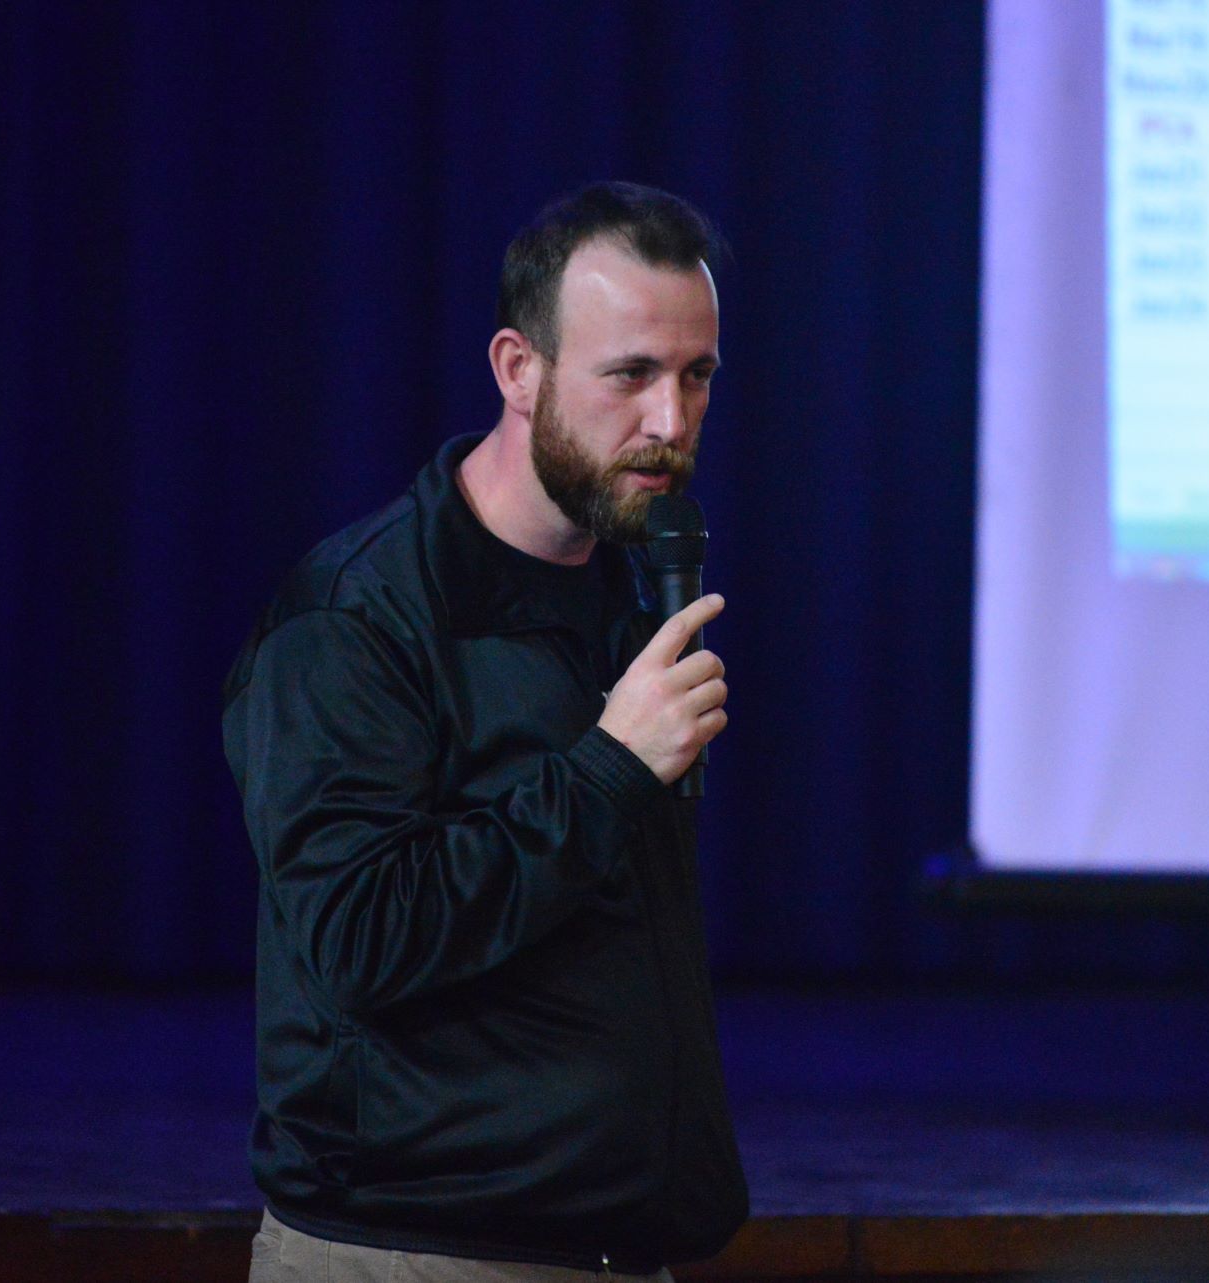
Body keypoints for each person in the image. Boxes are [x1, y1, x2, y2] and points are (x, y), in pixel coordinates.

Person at [222, 182, 748, 1282]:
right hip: (419, 1252)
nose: (671, 422)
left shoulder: (629, 594)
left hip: (614, 1247)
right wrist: (609, 768)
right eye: (631, 375)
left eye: (697, 374)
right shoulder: (355, 619)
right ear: (519, 369)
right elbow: (360, 935)